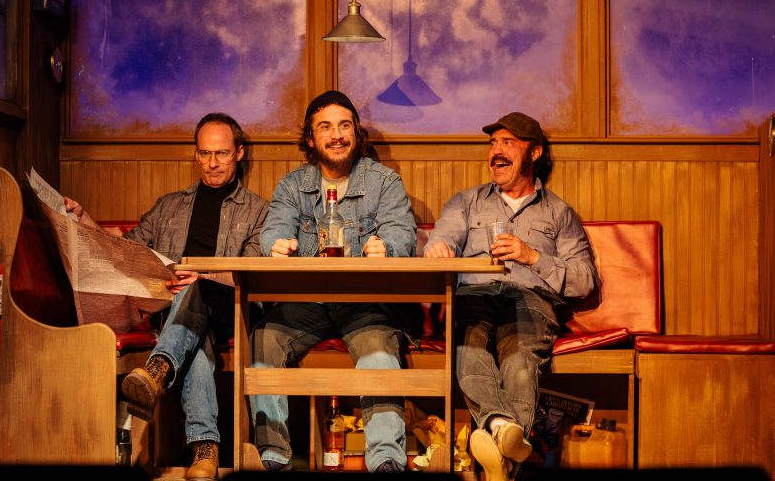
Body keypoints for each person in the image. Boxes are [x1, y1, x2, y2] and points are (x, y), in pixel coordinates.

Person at [64, 112, 269, 481]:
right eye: (204, 154)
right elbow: (125, 251)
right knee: (197, 340)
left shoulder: (257, 210)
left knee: (196, 289)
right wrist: (84, 220)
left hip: (230, 309)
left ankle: (158, 369)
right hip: (173, 314)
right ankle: (204, 453)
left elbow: (255, 267)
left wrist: (205, 275)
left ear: (239, 154)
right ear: (195, 154)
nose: (212, 163)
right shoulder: (170, 206)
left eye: (221, 154)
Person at [423, 112, 598, 481]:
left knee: (520, 360)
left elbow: (584, 281)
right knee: (469, 348)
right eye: (492, 144)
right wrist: (438, 249)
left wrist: (531, 255)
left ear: (534, 153)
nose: (496, 152)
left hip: (529, 299)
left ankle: (499, 443)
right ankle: (505, 434)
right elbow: (443, 239)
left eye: (508, 143)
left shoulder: (560, 213)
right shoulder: (466, 202)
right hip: (473, 294)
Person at [250, 90, 417, 473]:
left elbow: (402, 235)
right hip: (308, 301)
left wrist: (386, 248)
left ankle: (386, 461)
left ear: (356, 134)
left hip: (365, 302)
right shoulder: (292, 186)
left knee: (378, 350)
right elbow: (272, 232)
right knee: (264, 338)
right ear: (311, 138)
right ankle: (273, 458)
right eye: (325, 127)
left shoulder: (384, 182)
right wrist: (275, 245)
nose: (336, 135)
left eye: (344, 126)